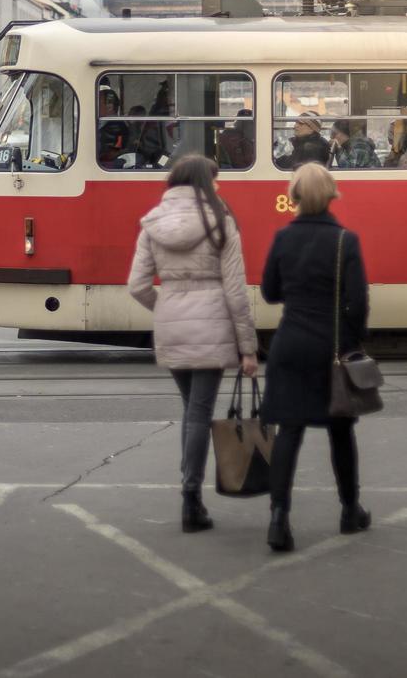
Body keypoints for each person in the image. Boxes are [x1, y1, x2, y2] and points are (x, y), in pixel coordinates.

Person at [128, 155, 259, 534]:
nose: (218, 188)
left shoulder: (152, 222)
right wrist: (248, 347)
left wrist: (166, 306)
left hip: (171, 323)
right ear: (204, 182)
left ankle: (190, 492)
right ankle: (191, 499)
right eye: (215, 181)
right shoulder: (221, 221)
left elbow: (137, 286)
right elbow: (235, 291)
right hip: (212, 324)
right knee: (200, 411)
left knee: (192, 410)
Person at [259, 163, 370, 551]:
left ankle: (278, 519)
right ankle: (350, 510)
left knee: (289, 431)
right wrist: (352, 344)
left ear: (296, 196)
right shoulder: (346, 241)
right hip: (331, 347)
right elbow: (358, 304)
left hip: (289, 346)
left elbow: (270, 293)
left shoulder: (282, 238)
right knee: (340, 430)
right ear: (331, 195)